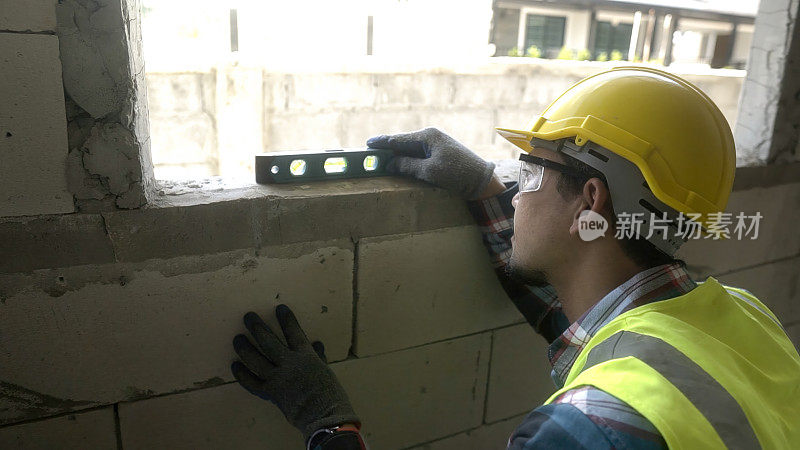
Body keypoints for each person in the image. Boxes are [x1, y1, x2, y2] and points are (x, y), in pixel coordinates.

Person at [230, 66, 800, 449]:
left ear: (592, 199)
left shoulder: (588, 426)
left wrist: (330, 427)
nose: (515, 186)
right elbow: (576, 319)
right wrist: (483, 188)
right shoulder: (744, 319)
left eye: (529, 171)